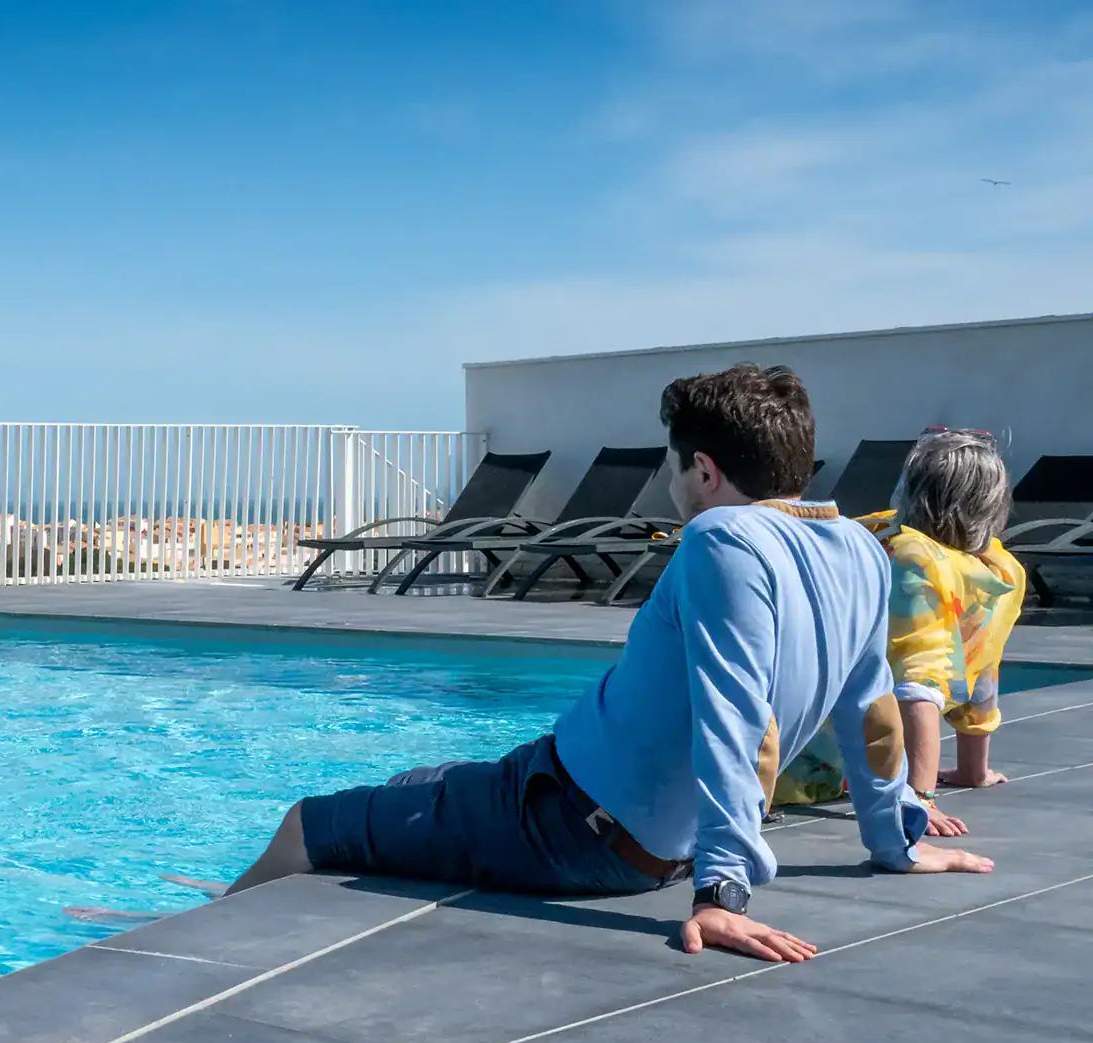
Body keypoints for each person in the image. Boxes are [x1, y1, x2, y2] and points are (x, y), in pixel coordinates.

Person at [230, 364, 994, 962]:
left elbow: (735, 715)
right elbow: (874, 712)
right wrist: (894, 840)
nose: (671, 488)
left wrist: (723, 891)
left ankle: (193, 931)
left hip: (569, 825)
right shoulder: (861, 549)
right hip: (580, 805)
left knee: (308, 823)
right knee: (416, 783)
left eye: (673, 470)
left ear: (704, 470)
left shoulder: (720, 538)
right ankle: (240, 889)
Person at [775, 428, 1026, 837]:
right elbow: (980, 673)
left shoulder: (909, 558)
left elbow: (917, 690)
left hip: (807, 761)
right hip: (849, 759)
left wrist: (918, 798)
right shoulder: (998, 571)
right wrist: (972, 769)